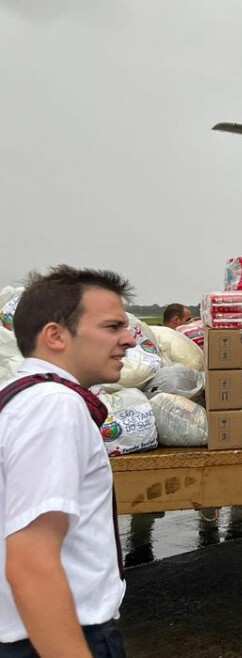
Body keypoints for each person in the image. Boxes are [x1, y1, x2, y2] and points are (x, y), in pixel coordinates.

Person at [0, 266, 136, 657]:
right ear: (55, 335)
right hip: (59, 635)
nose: (128, 340)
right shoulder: (55, 406)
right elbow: (32, 561)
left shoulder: (20, 397)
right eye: (112, 327)